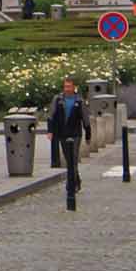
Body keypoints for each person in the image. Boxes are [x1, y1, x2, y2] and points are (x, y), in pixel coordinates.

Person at [50, 78, 89, 206]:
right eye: (65, 87)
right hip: (62, 132)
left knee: (73, 157)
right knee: (68, 158)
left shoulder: (79, 101)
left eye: (69, 87)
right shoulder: (58, 99)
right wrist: (51, 131)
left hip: (75, 133)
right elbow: (52, 115)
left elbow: (85, 118)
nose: (67, 89)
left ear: (74, 87)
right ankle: (76, 180)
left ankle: (70, 184)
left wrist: (88, 133)